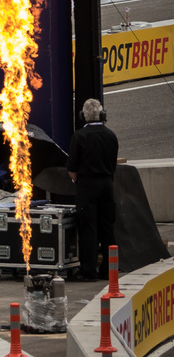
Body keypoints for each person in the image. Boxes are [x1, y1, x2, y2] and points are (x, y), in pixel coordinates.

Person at [67, 98, 118, 282]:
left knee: (88, 228)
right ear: (102, 115)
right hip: (107, 184)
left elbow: (72, 169)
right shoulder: (111, 135)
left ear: (83, 116)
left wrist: (79, 182)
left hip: (87, 185)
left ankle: (89, 271)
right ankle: (109, 270)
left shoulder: (79, 136)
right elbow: (113, 164)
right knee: (108, 228)